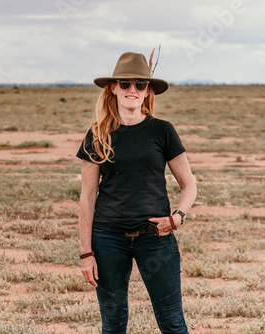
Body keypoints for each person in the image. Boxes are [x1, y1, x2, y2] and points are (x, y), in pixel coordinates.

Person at [76, 51, 197, 334]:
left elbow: (189, 185)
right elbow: (87, 197)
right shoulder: (97, 134)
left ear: (147, 92)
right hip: (107, 240)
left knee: (172, 323)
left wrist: (177, 217)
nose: (133, 89)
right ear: (113, 88)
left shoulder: (162, 131)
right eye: (126, 83)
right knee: (113, 325)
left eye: (140, 84)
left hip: (156, 238)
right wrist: (86, 253)